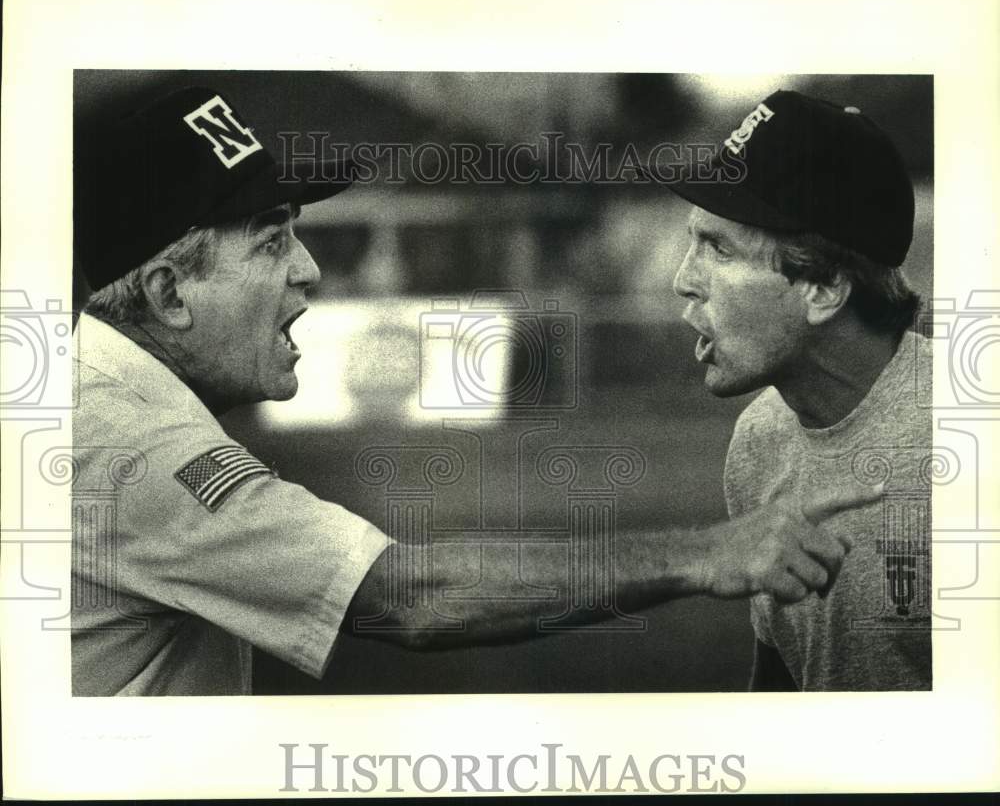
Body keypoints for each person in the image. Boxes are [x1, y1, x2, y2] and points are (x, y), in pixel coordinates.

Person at [71, 85, 879, 695]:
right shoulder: (133, 449)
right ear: (170, 293)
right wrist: (711, 551)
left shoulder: (98, 403)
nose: (308, 270)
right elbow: (409, 596)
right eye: (270, 241)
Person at [669, 90, 932, 691]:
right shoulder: (759, 440)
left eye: (718, 247)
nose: (684, 280)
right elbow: (785, 676)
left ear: (824, 289)